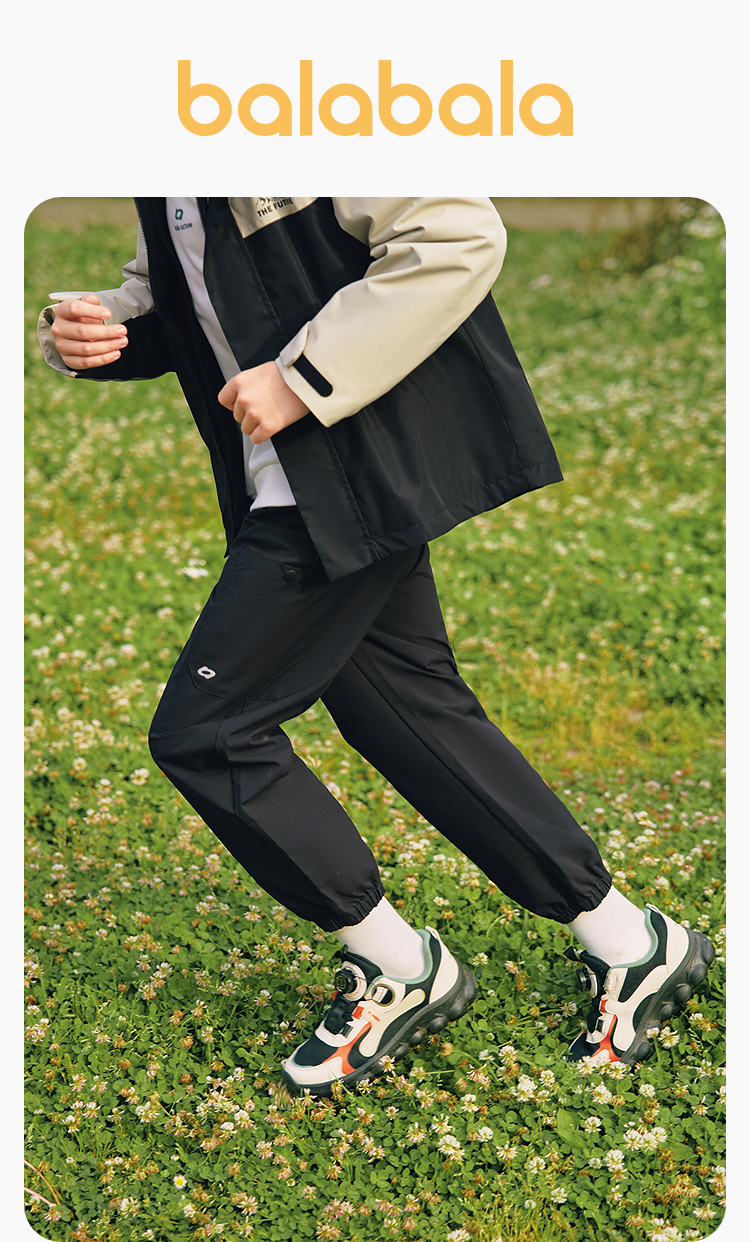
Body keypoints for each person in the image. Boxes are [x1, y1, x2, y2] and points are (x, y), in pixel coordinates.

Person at [37, 197, 714, 1096]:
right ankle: (632, 942)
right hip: (299, 477)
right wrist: (102, 327)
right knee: (405, 714)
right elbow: (190, 289)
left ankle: (400, 967)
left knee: (210, 730)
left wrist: (303, 377)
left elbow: (457, 234)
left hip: (347, 470)